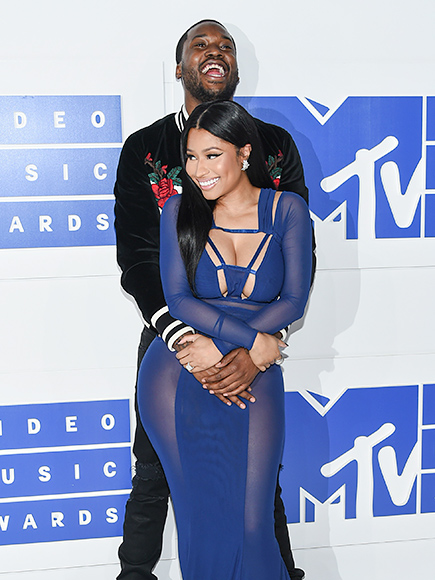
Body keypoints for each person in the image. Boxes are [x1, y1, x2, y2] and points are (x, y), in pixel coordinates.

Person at [114, 19, 312, 580]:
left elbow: (295, 261)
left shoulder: (275, 145)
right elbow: (138, 258)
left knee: (258, 487)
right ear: (180, 67)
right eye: (200, 45)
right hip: (177, 343)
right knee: (154, 477)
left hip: (256, 345)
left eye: (225, 45)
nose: (215, 52)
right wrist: (182, 337)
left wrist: (261, 347)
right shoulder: (144, 148)